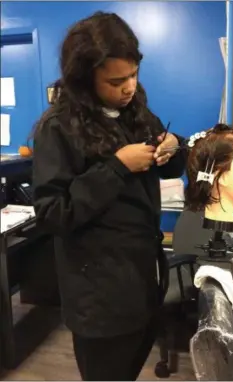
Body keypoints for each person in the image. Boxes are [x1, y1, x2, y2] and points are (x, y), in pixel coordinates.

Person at [32, 12, 187, 381]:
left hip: (141, 284)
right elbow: (53, 213)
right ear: (85, 79)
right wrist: (116, 166)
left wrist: (173, 147)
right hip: (99, 299)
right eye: (116, 80)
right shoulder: (58, 128)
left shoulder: (133, 111)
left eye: (133, 75)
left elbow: (167, 166)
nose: (129, 87)